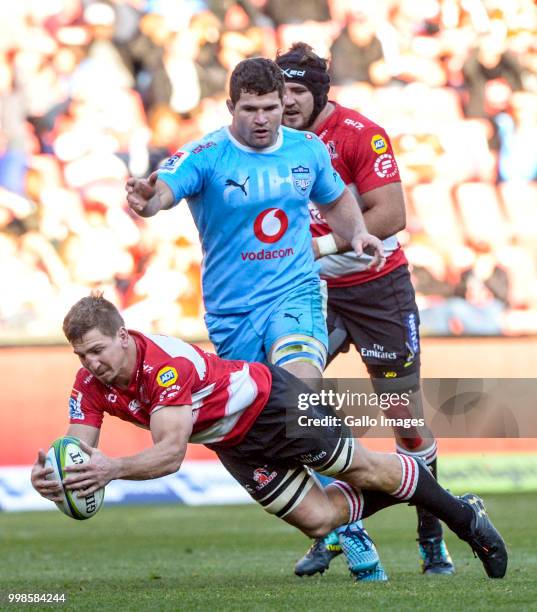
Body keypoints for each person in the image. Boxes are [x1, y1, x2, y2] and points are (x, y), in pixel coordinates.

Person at [31, 294, 507, 582]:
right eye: (81, 355)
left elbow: (170, 454)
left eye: (97, 350)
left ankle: (465, 519)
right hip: (234, 443)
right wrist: (57, 476)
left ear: (123, 337)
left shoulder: (163, 366)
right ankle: (428, 492)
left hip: (274, 405)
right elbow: (79, 450)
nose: (91, 363)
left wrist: (110, 471)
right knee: (320, 521)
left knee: (364, 468)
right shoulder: (89, 384)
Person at [276, 42, 453, 577]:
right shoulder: (269, 141)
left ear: (320, 93)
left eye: (297, 92)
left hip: (378, 289)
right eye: (279, 92)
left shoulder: (359, 134)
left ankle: (432, 531)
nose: (285, 104)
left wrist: (323, 247)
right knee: (288, 404)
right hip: (313, 295)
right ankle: (336, 527)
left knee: (407, 425)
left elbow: (392, 212)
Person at [125, 57, 385, 384]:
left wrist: (358, 233)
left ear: (282, 103)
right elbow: (162, 191)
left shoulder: (306, 148)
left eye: (270, 108)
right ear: (231, 107)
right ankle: (339, 438)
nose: (261, 119)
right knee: (261, 418)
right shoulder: (206, 154)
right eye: (250, 110)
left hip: (295, 292)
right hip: (233, 310)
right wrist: (148, 201)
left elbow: (334, 200)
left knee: (299, 384)